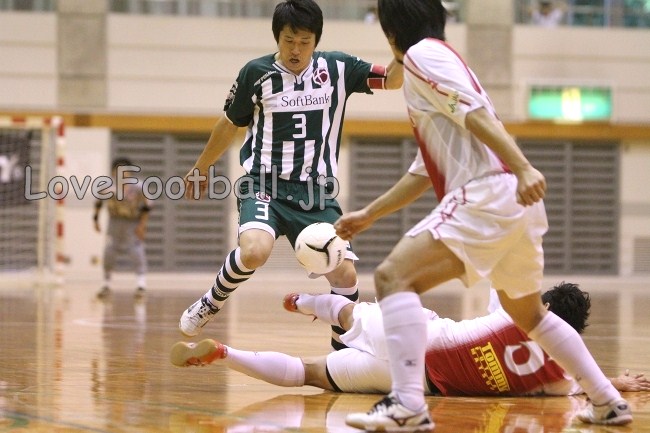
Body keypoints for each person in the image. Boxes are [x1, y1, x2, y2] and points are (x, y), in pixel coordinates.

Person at [331, 0, 632, 430]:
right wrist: (370, 214)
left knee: (393, 278)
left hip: (487, 193)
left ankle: (408, 404)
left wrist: (524, 166)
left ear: (391, 32)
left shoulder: (421, 56)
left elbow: (473, 113)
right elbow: (423, 169)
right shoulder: (438, 60)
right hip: (513, 202)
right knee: (530, 316)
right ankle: (606, 401)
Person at [177, 0, 403, 351]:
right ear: (277, 38)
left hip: (315, 193)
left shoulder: (338, 68)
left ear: (316, 41)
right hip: (263, 184)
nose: (296, 50)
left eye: (304, 42)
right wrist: (201, 166)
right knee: (255, 251)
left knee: (345, 273)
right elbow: (229, 124)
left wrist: (403, 48)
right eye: (289, 41)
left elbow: (391, 80)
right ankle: (211, 301)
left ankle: (342, 352)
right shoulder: (256, 73)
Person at [170, 283, 650, 397]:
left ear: (542, 305)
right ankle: (227, 356)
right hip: (414, 382)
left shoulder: (513, 309)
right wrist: (615, 382)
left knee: (350, 312)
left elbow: (495, 274)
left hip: (415, 333)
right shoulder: (558, 378)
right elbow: (583, 389)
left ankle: (304, 302)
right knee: (310, 374)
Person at [93, 157, 151, 298]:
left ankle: (141, 284)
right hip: (114, 221)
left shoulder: (138, 187)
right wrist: (95, 220)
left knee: (136, 251)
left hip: (132, 222)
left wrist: (142, 225)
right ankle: (106, 284)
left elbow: (146, 207)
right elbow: (98, 203)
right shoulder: (107, 187)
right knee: (109, 251)